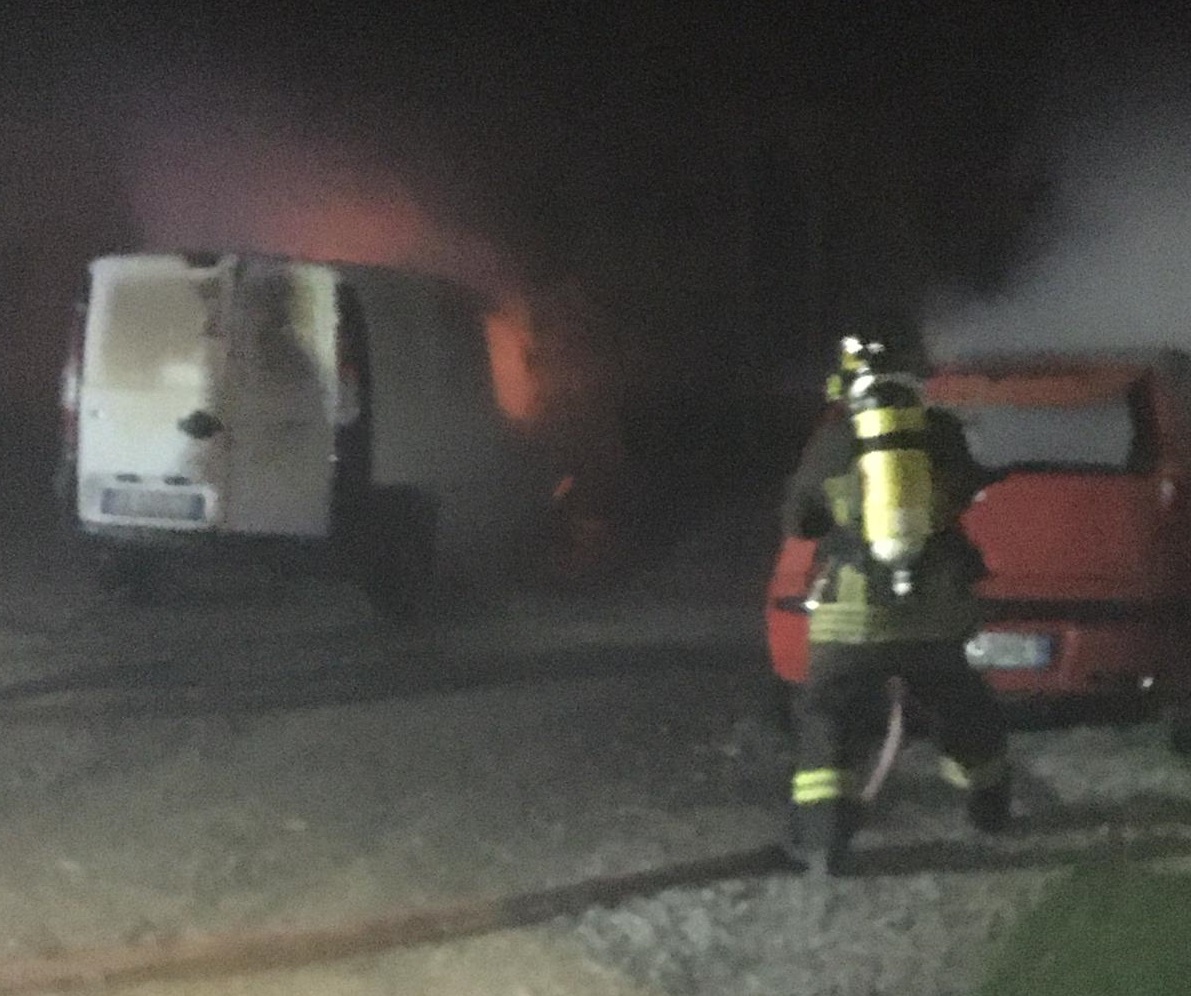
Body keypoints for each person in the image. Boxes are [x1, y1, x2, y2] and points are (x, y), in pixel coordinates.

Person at [780, 329, 1010, 875]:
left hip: (850, 617)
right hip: (933, 616)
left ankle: (823, 843)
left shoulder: (836, 439)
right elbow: (968, 490)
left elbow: (800, 521)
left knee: (828, 717)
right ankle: (989, 808)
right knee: (962, 705)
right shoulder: (942, 432)